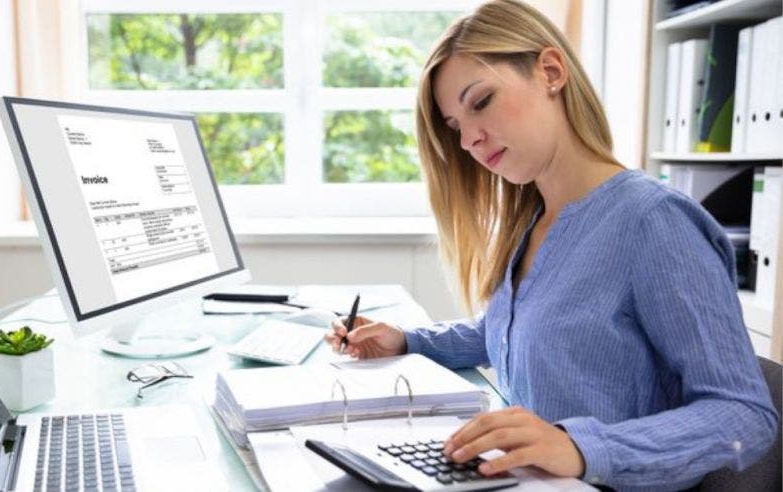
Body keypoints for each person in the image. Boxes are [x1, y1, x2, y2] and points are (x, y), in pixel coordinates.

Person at [324, 1, 778, 490]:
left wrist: (581, 447)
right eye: (455, 127)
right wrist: (409, 340)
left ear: (551, 72)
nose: (470, 140)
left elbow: (743, 414)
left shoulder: (653, 222)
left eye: (480, 102)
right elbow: (518, 331)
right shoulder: (535, 219)